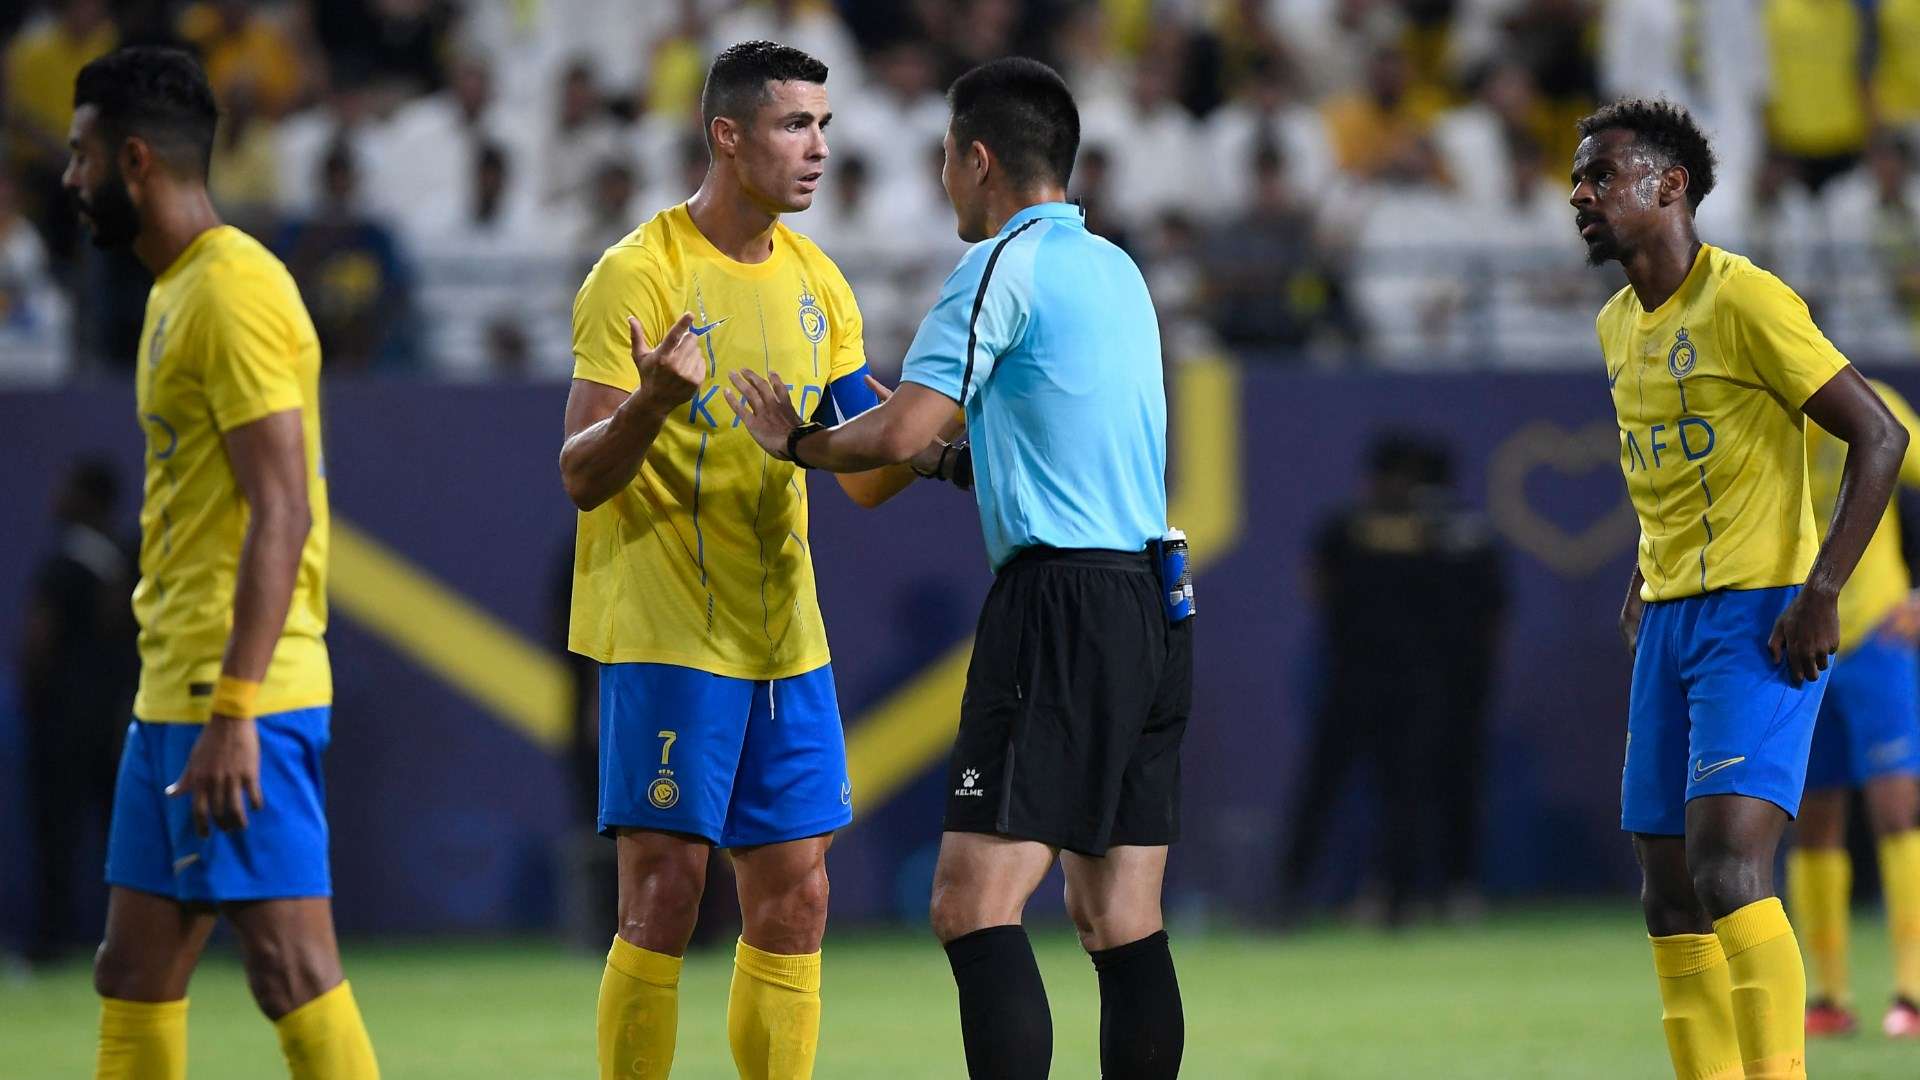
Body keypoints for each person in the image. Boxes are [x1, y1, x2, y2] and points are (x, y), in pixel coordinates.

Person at [728, 57, 1190, 1080]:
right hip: (1154, 599)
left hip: (1059, 606)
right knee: (1120, 915)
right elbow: (1007, 447)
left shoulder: (996, 270)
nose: (942, 177)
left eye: (944, 157)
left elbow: (902, 428)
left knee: (970, 903)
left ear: (978, 160)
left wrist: (796, 441)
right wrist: (929, 455)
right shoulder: (1116, 272)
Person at [558, 40, 928, 1080]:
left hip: (786, 644)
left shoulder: (821, 282)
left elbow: (863, 468)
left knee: (800, 897)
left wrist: (950, 425)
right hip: (671, 633)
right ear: (726, 134)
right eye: (792, 126)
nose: (815, 150)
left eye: (823, 127)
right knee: (665, 896)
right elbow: (582, 473)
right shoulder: (637, 272)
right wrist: (654, 402)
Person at [1574, 98, 1909, 1080]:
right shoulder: (1614, 326)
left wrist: (1824, 587)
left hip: (1761, 619)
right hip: (1671, 624)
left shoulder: (1747, 299)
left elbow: (1877, 436)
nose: (1581, 196)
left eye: (1603, 176)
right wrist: (1647, 562)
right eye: (1577, 183)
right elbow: (1668, 467)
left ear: (1668, 186)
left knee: (1728, 868)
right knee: (1666, 892)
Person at [61, 46, 378, 1078]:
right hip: (177, 687)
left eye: (81, 156)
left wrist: (237, 706)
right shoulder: (176, 291)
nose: (69, 179)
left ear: (136, 161)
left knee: (290, 968)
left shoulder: (235, 293)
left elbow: (281, 506)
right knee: (133, 970)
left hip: (237, 689)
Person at [1791, 380, 1920, 1039]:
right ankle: (1828, 998)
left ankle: (1913, 994)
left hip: (1875, 635)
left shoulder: (1874, 405)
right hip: (1800, 640)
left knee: (1896, 810)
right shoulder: (1761, 414)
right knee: (1813, 819)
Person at [20, 458, 137, 964]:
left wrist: (34, 705)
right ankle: (137, 945)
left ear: (90, 500)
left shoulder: (64, 566)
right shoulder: (129, 564)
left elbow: (37, 645)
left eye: (68, 488)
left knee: (57, 839)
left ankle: (51, 944)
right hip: (122, 724)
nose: (56, 497)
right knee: (128, 842)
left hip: (64, 727)